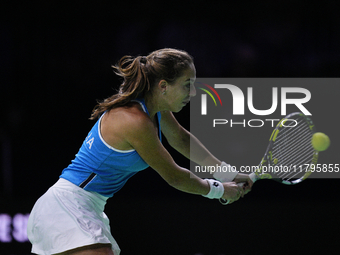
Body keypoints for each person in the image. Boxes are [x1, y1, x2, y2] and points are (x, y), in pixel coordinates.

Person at [27, 48, 253, 255]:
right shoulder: (134, 121)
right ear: (163, 86)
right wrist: (219, 190)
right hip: (67, 206)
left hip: (85, 206)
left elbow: (182, 140)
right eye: (187, 84)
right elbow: (174, 176)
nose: (193, 92)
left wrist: (226, 173)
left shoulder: (156, 109)